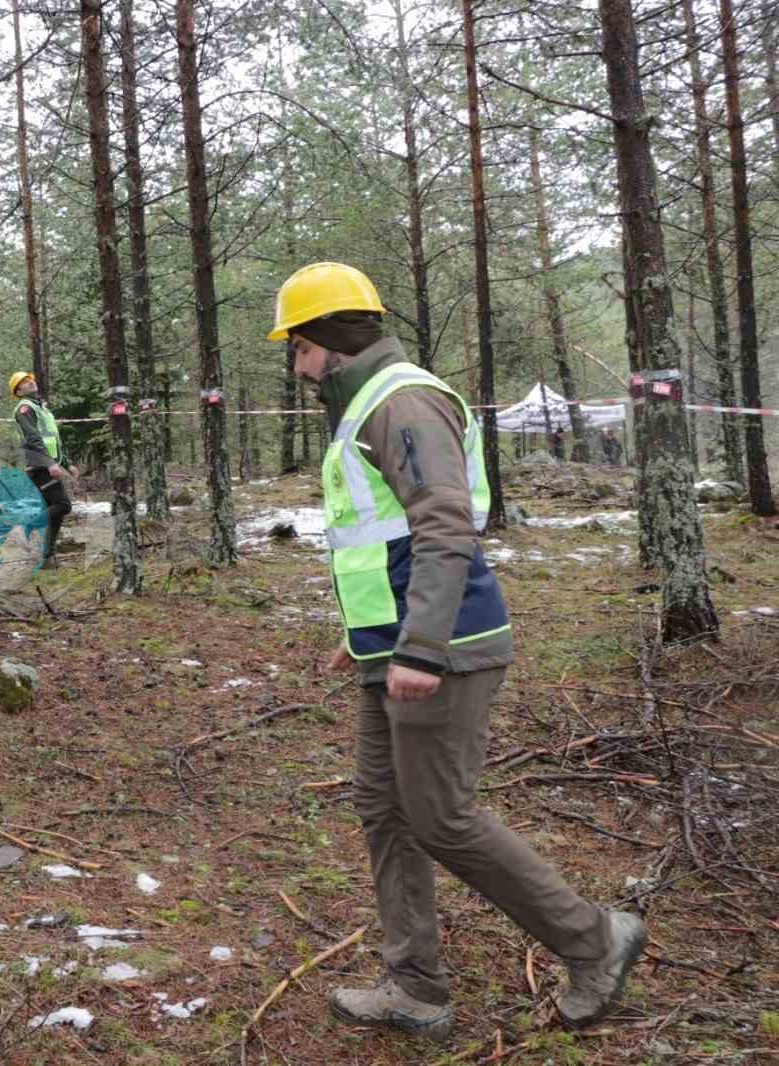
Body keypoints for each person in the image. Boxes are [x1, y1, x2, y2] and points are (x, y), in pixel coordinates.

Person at [267, 262, 645, 1040]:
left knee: (439, 816)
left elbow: (443, 528)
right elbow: (384, 543)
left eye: (300, 348)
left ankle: (596, 940)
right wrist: (362, 641)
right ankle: (417, 990)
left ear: (332, 342)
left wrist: (422, 648)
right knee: (385, 810)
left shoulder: (401, 400)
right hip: (393, 650)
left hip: (445, 648)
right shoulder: (370, 405)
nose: (298, 367)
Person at [10, 370, 78, 568]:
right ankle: (26, 526)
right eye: (24, 382)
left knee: (55, 513)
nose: (30, 382)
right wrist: (49, 463)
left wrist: (67, 463)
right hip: (39, 466)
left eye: (30, 379)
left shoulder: (42, 410)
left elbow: (53, 440)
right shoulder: (24, 408)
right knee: (63, 505)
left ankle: (47, 558)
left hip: (48, 464)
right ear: (18, 391)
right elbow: (33, 438)